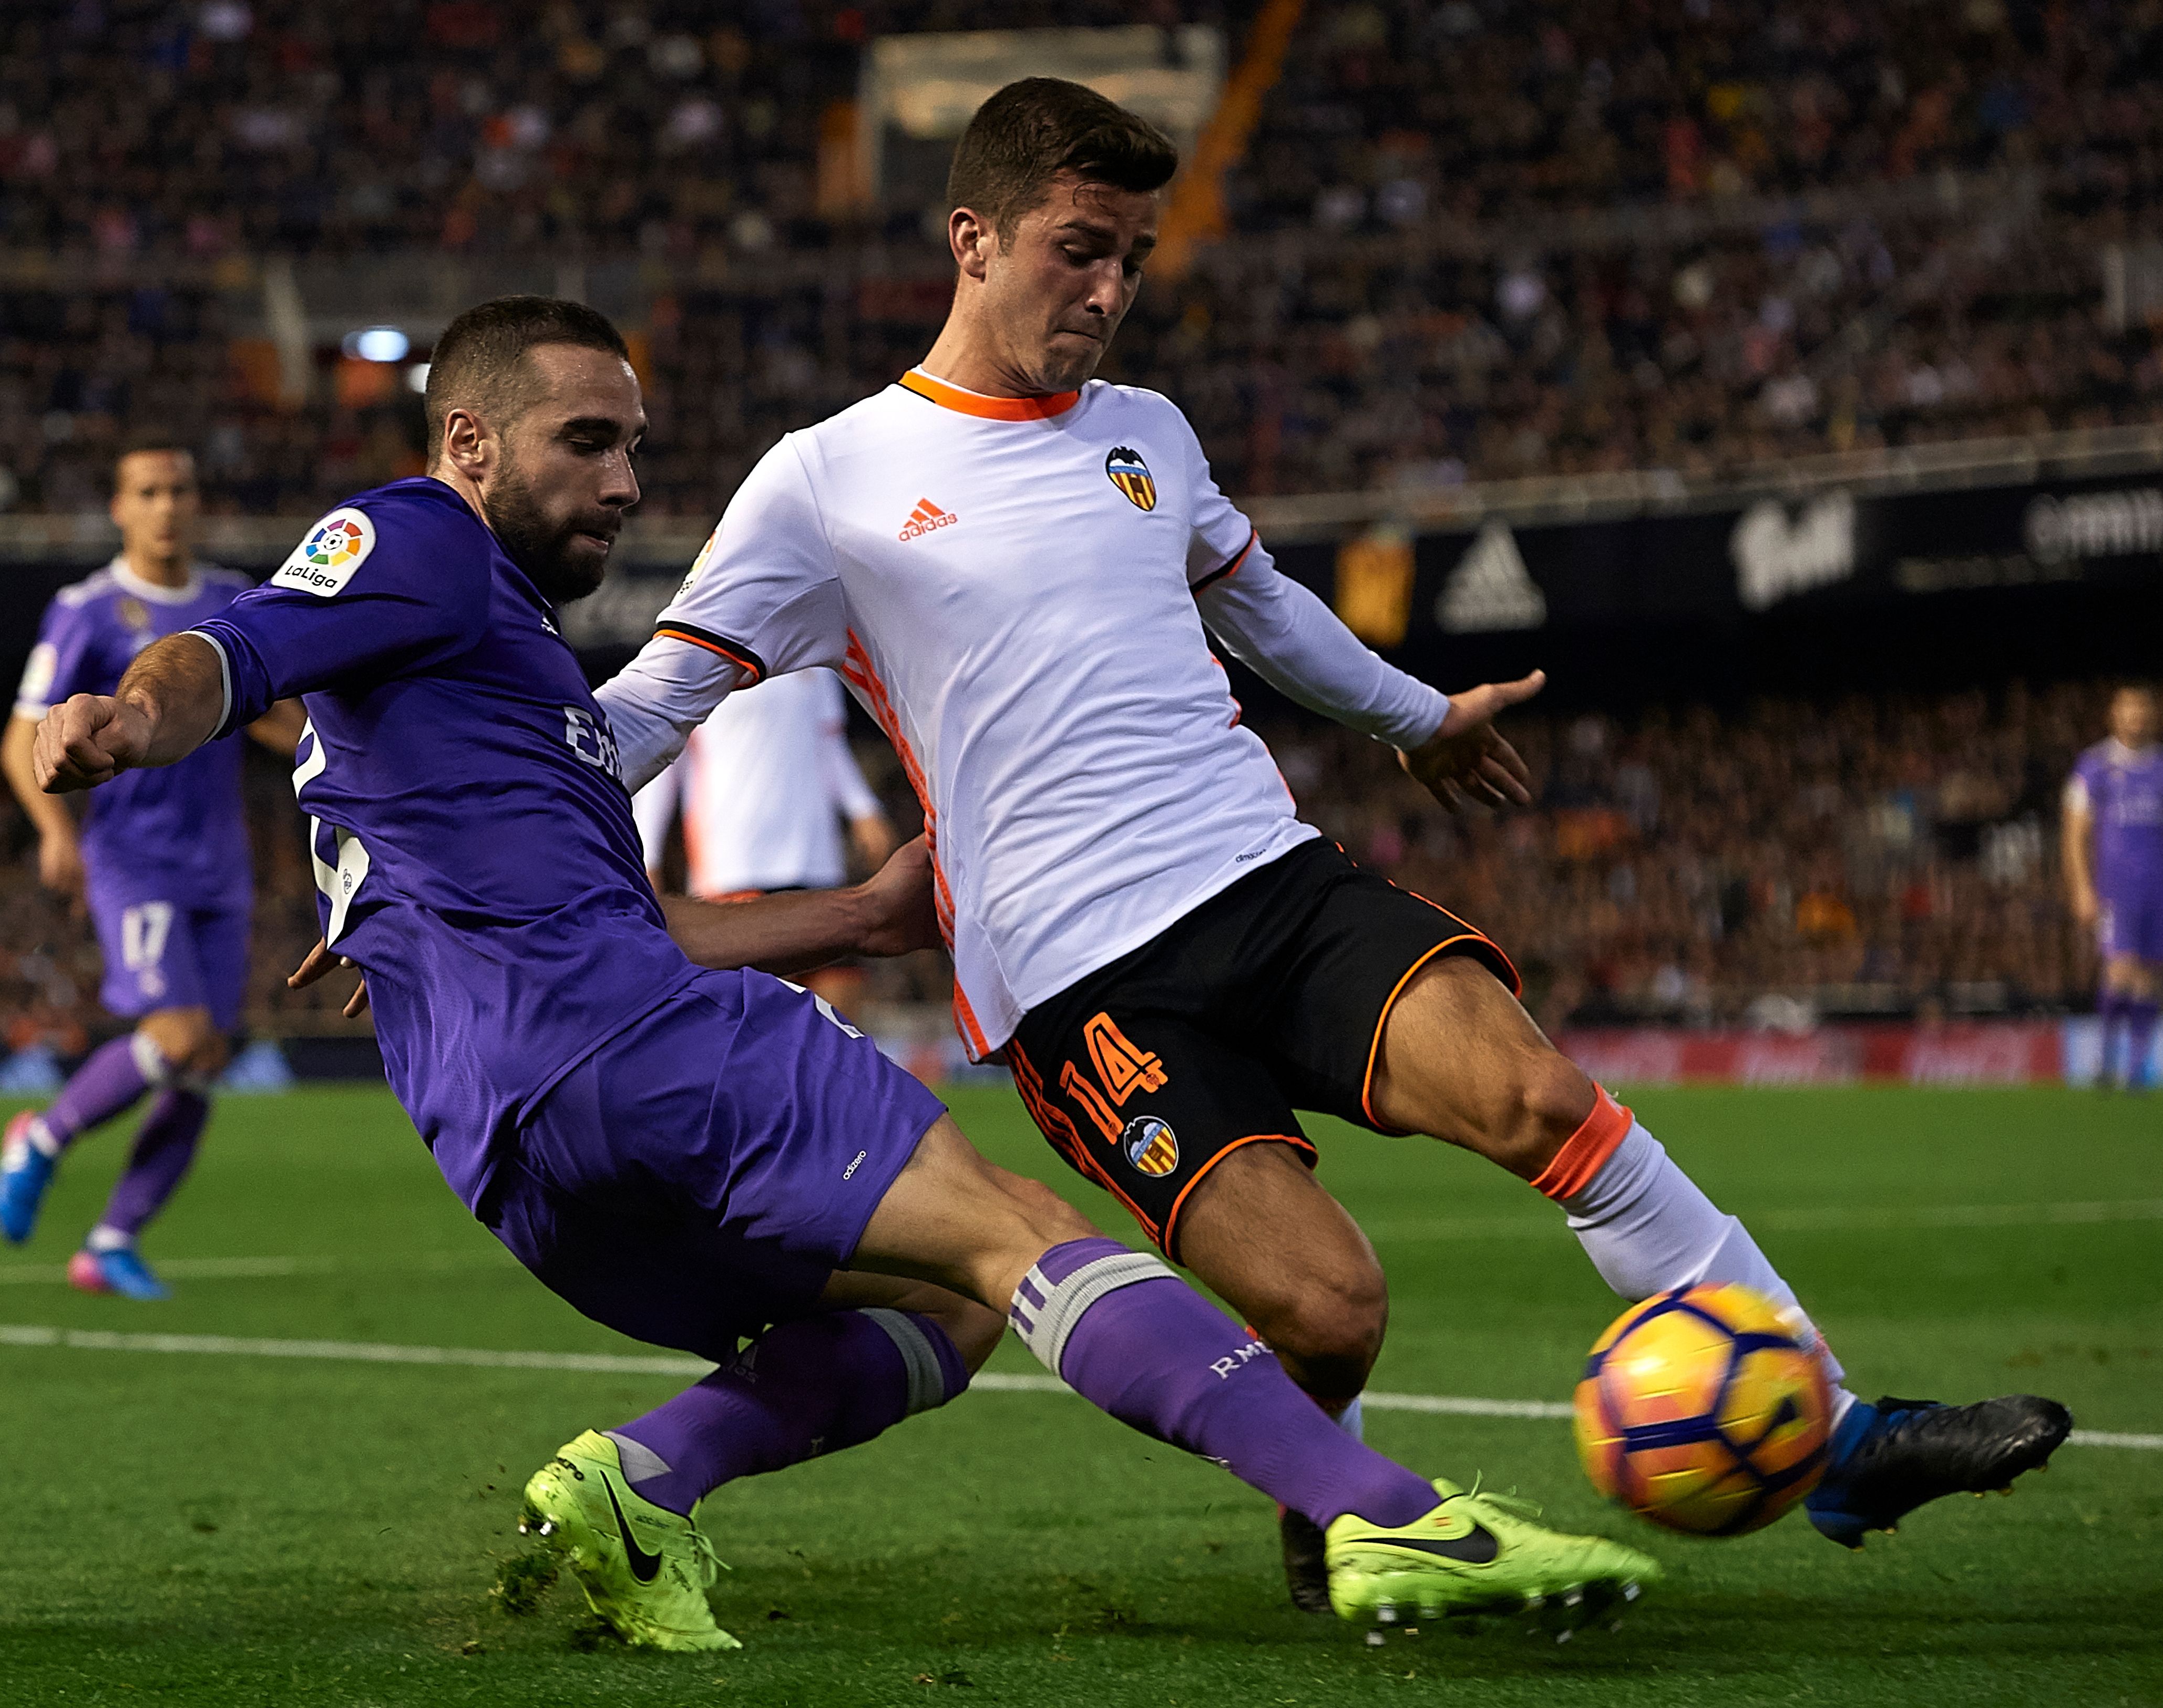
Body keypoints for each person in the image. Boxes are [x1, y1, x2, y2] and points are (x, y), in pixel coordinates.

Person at [594, 78, 2072, 1606]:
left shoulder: (1147, 435)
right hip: (1080, 978)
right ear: (974, 238)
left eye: (1134, 263)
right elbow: (653, 704)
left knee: (1543, 1098)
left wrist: (1416, 717)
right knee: (1330, 1309)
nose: (1107, 293)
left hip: (1266, 877)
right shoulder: (826, 477)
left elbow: (1263, 602)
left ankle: (1835, 1439)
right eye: (1078, 250)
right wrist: (437, 834)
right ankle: (1340, 1508)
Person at [33, 295, 1658, 1652]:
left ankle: (643, 1481)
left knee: (936, 1315)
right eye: (582, 442)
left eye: (635, 447)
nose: (620, 481)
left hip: (515, 1157)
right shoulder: (422, 541)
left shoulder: (477, 701)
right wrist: (130, 716)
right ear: (469, 444)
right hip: (629, 1049)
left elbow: (614, 913)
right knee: (1026, 1235)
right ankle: (1385, 1519)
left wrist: (858, 922)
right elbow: (229, 647)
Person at [0, 442, 305, 1298]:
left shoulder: (228, 602)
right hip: (135, 856)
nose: (168, 505)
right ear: (120, 509)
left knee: (205, 1058)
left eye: (181, 489)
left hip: (220, 861)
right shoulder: (87, 610)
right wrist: (57, 831)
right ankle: (43, 1138)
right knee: (174, 1038)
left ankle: (112, 1239)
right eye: (149, 492)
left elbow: (271, 718)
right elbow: (23, 743)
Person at [632, 666, 897, 1021]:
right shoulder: (694, 659)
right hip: (734, 865)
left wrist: (864, 809)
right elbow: (664, 768)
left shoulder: (814, 660)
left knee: (842, 1013)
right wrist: (647, 855)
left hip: (817, 860)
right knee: (759, 1029)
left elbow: (828, 743)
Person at [2064, 683, 2163, 1089]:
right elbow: (2074, 832)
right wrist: (2081, 887)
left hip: (2157, 890)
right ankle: (2105, 1059)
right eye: (2127, 709)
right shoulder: (2094, 765)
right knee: (2120, 971)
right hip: (2115, 890)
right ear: (2114, 715)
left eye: (2141, 709)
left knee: (2151, 978)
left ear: (2152, 716)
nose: (2134, 717)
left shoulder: (2160, 766)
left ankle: (2136, 1068)